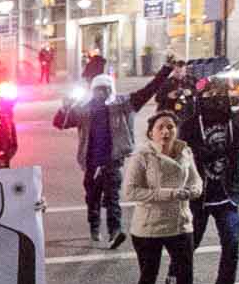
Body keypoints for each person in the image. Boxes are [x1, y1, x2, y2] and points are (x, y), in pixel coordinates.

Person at [54, 66, 168, 248]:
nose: (101, 93)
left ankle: (115, 231)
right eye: (98, 90)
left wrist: (166, 70)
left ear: (110, 90)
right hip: (90, 163)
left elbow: (149, 90)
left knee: (112, 197)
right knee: (92, 197)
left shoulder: (122, 104)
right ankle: (94, 225)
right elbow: (60, 123)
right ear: (93, 91)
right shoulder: (83, 109)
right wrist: (64, 108)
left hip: (112, 162)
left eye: (105, 89)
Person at [121, 110, 204, 284]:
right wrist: (168, 193)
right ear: (151, 133)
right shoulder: (143, 156)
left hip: (181, 223)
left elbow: (195, 179)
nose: (166, 131)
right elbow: (130, 191)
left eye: (170, 127)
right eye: (160, 127)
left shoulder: (185, 152)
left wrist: (195, 190)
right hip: (149, 227)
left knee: (184, 273)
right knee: (149, 273)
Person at [185, 86, 239, 284]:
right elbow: (192, 154)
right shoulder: (191, 125)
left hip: (227, 193)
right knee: (189, 244)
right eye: (210, 99)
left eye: (219, 99)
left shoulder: (234, 123)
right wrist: (228, 148)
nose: (216, 103)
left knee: (231, 243)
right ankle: (178, 280)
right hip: (199, 196)